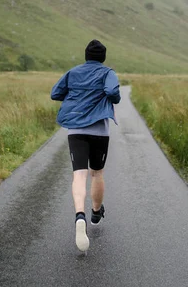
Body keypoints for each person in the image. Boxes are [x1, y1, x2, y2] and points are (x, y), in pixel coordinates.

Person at [50, 40, 121, 252]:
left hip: (76, 131)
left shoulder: (73, 72)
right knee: (97, 173)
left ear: (86, 55)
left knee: (78, 175)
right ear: (103, 57)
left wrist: (77, 95)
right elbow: (113, 94)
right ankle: (96, 213)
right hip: (99, 131)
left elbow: (55, 93)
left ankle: (79, 215)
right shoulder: (108, 72)